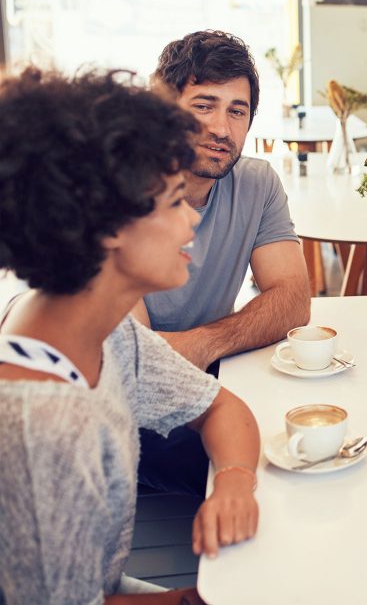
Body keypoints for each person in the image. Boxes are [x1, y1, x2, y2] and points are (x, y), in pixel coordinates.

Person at [0, 68, 260, 603]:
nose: (191, 220)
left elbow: (220, 405)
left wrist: (233, 482)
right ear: (109, 225)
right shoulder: (39, 428)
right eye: (171, 202)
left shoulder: (104, 332)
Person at [134, 30, 309, 496]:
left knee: (312, 427)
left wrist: (203, 343)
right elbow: (140, 364)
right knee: (283, 473)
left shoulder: (256, 183)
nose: (222, 128)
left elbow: (293, 299)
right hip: (127, 407)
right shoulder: (123, 189)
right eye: (204, 106)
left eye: (238, 111)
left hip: (211, 373)